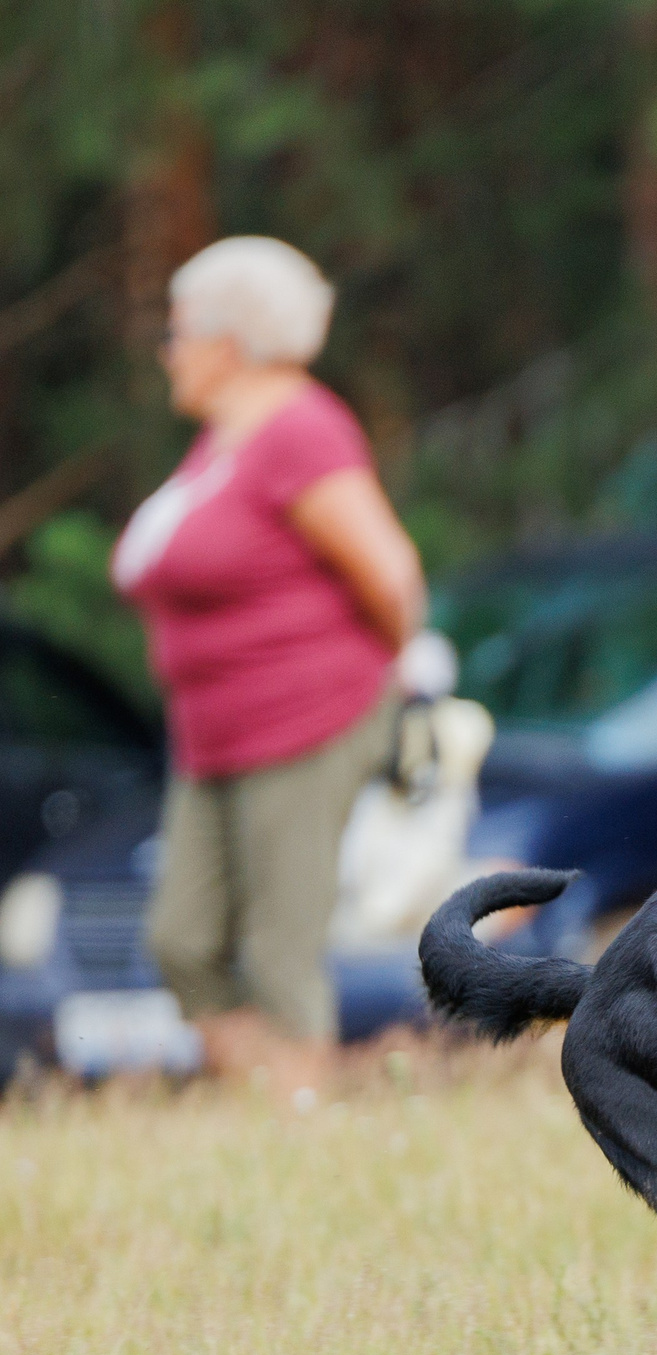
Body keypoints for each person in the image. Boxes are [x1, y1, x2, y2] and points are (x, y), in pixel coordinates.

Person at [114, 236, 427, 1092]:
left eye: (176, 333)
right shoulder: (222, 443)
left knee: (279, 949)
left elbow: (391, 574)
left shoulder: (302, 430)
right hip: (212, 732)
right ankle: (274, 1101)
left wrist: (393, 675)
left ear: (229, 341)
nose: (167, 352)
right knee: (182, 940)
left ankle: (296, 1119)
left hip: (305, 718)